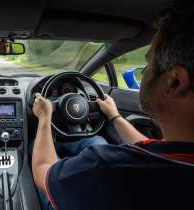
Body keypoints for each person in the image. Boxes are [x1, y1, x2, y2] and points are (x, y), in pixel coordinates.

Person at [32, 1, 194, 210]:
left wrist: (44, 118)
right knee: (96, 141)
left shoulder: (107, 167)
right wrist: (115, 116)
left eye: (149, 63)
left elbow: (42, 170)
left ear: (174, 82)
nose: (144, 72)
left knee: (35, 150)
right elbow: (151, 147)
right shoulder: (178, 154)